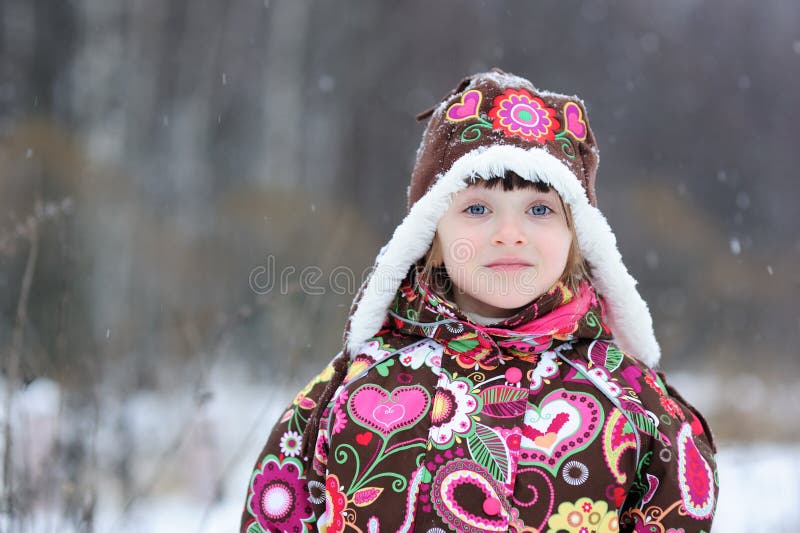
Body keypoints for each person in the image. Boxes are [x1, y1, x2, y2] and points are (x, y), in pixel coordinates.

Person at [240, 68, 718, 533]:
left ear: (578, 234)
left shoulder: (633, 402)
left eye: (539, 209)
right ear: (430, 235)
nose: (508, 235)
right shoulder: (349, 393)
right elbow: (276, 511)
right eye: (476, 208)